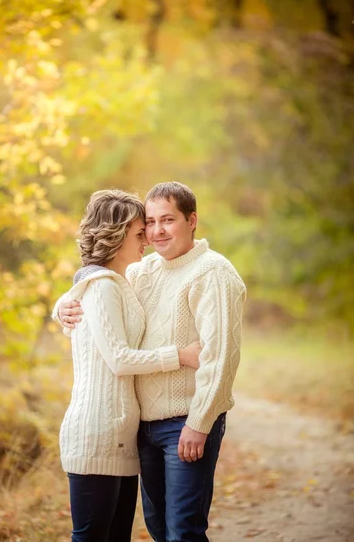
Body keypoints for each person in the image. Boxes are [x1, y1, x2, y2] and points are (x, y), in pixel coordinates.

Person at [55, 182, 247, 542]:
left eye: (168, 220)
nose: (156, 232)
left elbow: (220, 359)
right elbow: (94, 284)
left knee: (183, 532)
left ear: (192, 220)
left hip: (184, 423)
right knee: (159, 530)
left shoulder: (213, 273)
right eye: (150, 223)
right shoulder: (142, 271)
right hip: (141, 428)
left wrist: (200, 423)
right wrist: (61, 308)